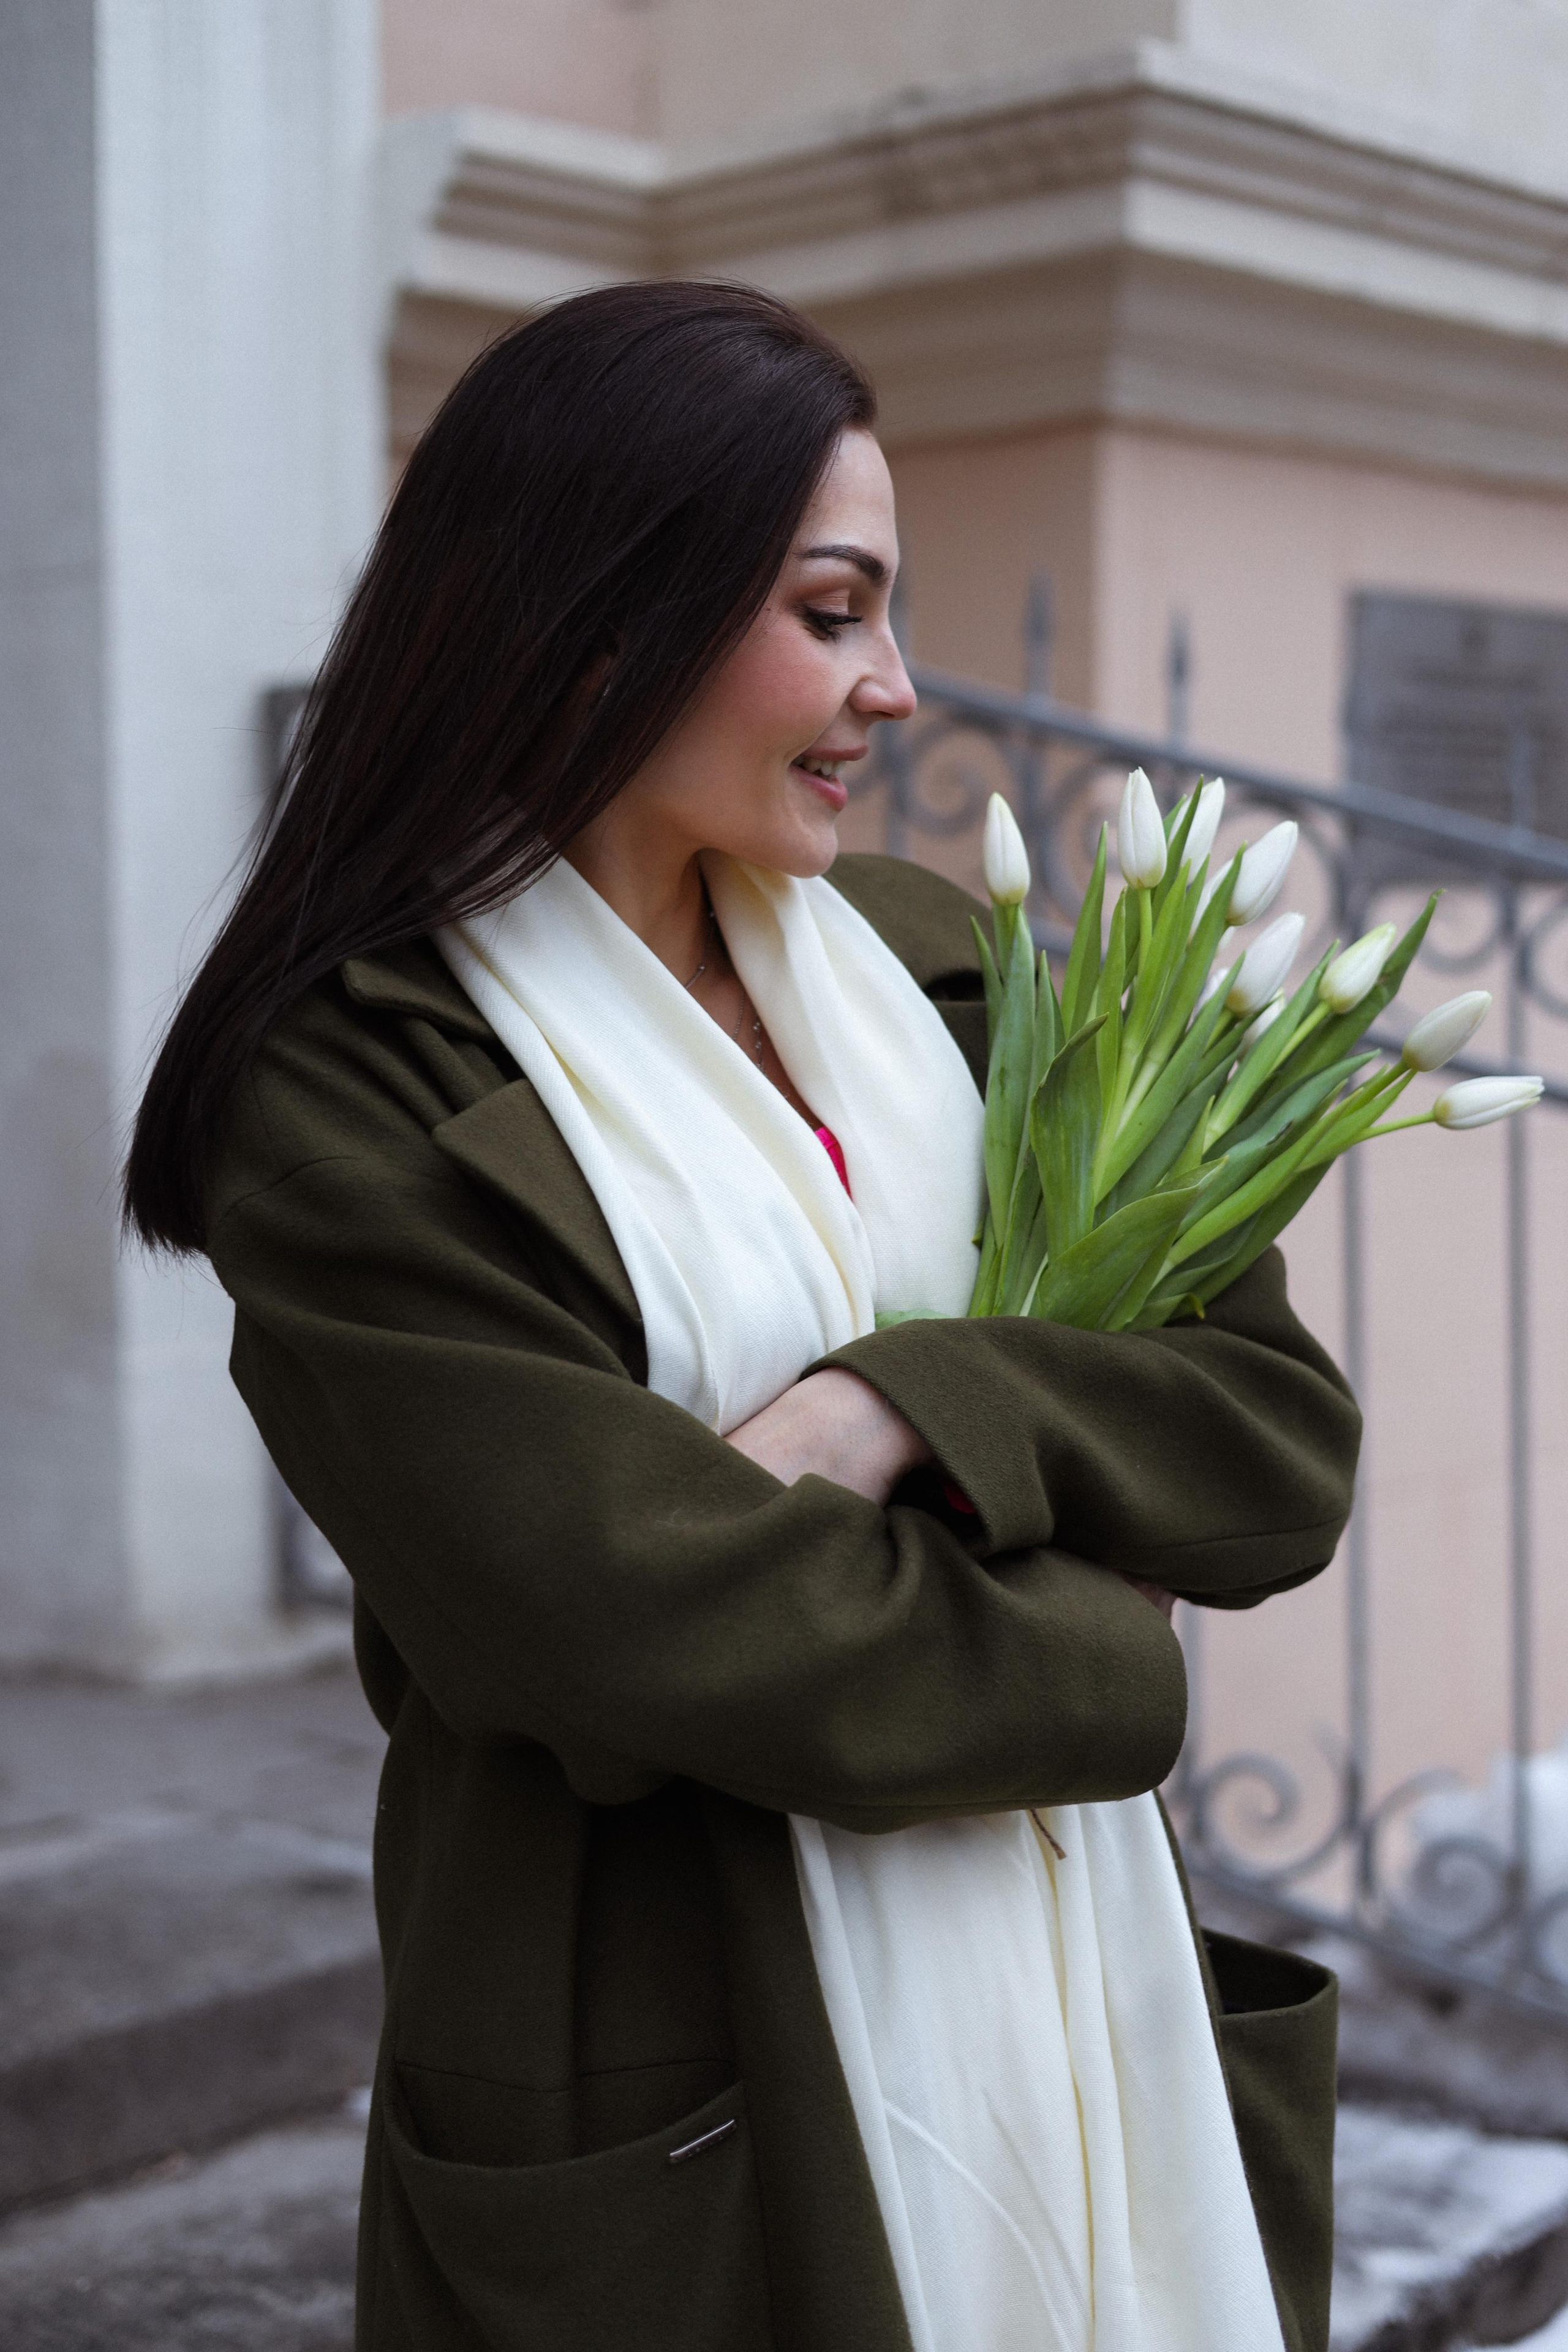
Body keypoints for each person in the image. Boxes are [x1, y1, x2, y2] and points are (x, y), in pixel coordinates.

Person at [124, 281, 1360, 2352]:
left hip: (1083, 2020)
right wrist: (1107, 1653)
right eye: (831, 609)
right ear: (602, 612)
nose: (892, 687)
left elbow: (1269, 1446)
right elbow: (628, 1631)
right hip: (678, 2086)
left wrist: (900, 1402)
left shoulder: (941, 968)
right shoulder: (353, 1087)